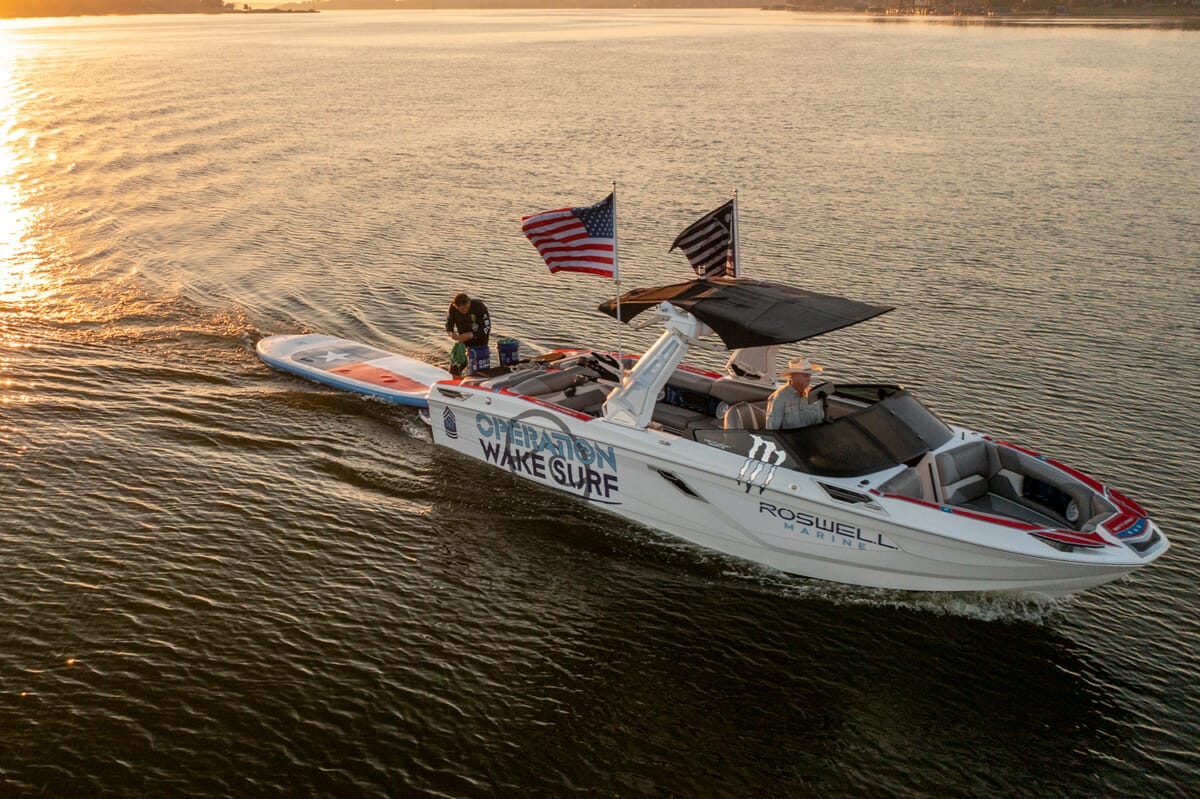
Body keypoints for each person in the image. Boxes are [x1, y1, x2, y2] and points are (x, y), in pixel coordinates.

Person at [766, 357, 826, 430]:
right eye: (805, 375)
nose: (809, 379)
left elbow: (820, 423)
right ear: (793, 376)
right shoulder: (779, 398)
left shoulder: (814, 394)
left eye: (809, 375)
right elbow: (772, 431)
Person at [444, 292, 491, 376]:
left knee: (478, 371)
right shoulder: (453, 308)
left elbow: (486, 328)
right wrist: (451, 333)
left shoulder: (479, 306)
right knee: (455, 368)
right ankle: (455, 382)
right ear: (456, 307)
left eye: (465, 308)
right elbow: (449, 324)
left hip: (479, 342)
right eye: (460, 309)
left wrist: (471, 335)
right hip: (463, 342)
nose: (463, 311)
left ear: (469, 302)